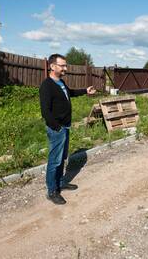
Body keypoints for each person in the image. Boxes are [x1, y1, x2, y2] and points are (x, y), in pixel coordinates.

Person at [39, 54, 96, 205]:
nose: (66, 68)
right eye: (62, 65)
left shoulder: (61, 82)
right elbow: (45, 111)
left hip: (65, 126)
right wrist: (57, 128)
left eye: (65, 65)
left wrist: (85, 91)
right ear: (52, 66)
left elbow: (70, 93)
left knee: (62, 159)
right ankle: (52, 191)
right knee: (55, 160)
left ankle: (60, 183)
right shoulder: (47, 85)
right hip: (57, 128)